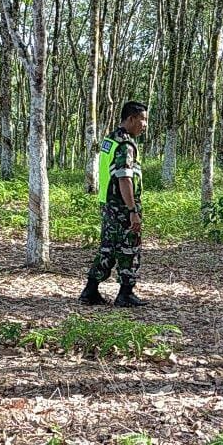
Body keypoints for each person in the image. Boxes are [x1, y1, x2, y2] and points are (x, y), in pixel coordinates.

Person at [79, 101, 149, 307]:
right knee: (129, 248)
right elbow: (124, 178)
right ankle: (125, 293)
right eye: (143, 120)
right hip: (122, 207)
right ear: (131, 119)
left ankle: (90, 290)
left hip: (108, 204)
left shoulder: (110, 139)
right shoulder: (125, 145)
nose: (145, 125)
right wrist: (132, 210)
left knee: (108, 249)